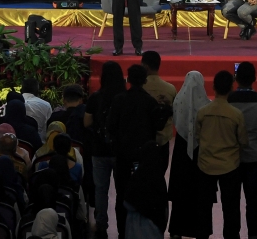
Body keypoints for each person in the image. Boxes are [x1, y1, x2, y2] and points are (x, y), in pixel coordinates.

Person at [106, 65, 170, 238]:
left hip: (123, 155)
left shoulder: (119, 100)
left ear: (129, 79)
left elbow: (111, 126)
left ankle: (122, 232)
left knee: (122, 195)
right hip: (143, 157)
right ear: (145, 80)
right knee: (145, 193)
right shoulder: (149, 101)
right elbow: (158, 126)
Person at [194, 70, 248, 239]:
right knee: (231, 207)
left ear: (213, 87)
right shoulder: (236, 114)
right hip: (229, 166)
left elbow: (197, 137)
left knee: (203, 206)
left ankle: (203, 234)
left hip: (205, 165)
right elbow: (244, 141)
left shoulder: (203, 112)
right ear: (231, 88)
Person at [227, 61, 257, 237]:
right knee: (254, 198)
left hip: (231, 157)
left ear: (236, 79)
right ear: (254, 78)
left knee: (231, 199)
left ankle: (231, 233)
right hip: (254, 156)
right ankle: (255, 233)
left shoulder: (228, 99)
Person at [84, 61, 126, 239]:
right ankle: (123, 226)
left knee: (101, 189)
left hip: (99, 150)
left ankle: (101, 224)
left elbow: (86, 122)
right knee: (122, 189)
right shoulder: (125, 97)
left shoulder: (95, 97)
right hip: (120, 150)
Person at [168, 70, 211, 238]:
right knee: (201, 191)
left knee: (181, 189)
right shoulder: (207, 104)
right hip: (202, 150)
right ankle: (202, 230)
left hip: (181, 148)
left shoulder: (178, 100)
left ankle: (176, 230)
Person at [125, 140, 169, 239]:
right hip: (154, 229)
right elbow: (164, 210)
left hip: (134, 228)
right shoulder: (159, 179)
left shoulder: (136, 177)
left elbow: (127, 202)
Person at [140, 51, 176, 168]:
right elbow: (174, 113)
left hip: (142, 139)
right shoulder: (170, 89)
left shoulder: (139, 88)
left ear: (145, 66)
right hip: (163, 140)